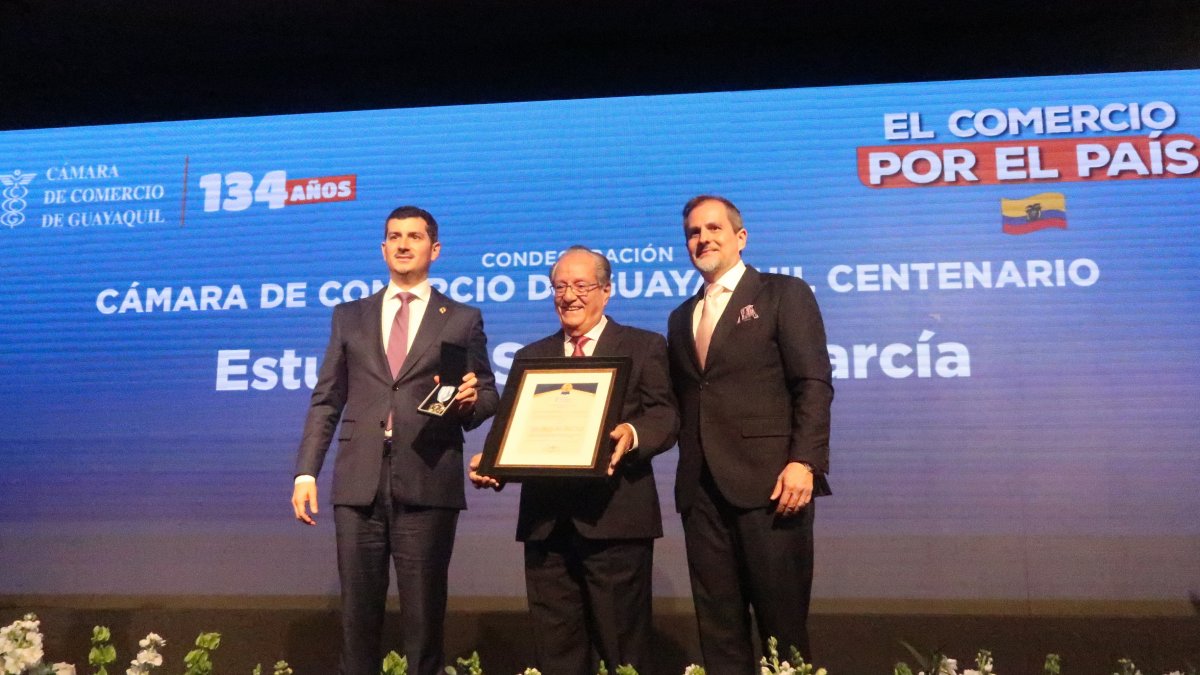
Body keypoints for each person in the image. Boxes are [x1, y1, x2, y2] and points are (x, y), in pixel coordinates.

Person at [291, 205, 499, 675]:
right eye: (394, 236)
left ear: (435, 249)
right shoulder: (350, 316)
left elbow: (487, 395)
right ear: (383, 248)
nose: (404, 244)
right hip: (358, 482)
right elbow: (327, 398)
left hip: (428, 480)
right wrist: (306, 471)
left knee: (424, 621)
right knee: (356, 620)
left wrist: (470, 402)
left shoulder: (460, 319)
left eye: (415, 236)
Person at [469, 246, 678, 675]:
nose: (569, 296)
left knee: (624, 652)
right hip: (547, 529)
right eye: (560, 286)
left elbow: (665, 416)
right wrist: (491, 465)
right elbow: (509, 428)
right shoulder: (532, 356)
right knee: (556, 653)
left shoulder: (644, 346)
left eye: (581, 285)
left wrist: (633, 435)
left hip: (616, 523)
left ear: (606, 291)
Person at [666, 196, 834, 673]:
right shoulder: (682, 317)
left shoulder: (784, 293)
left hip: (773, 487)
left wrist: (806, 461)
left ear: (741, 237)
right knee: (718, 631)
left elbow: (813, 384)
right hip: (701, 492)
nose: (704, 238)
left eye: (714, 228)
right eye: (694, 233)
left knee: (784, 630)